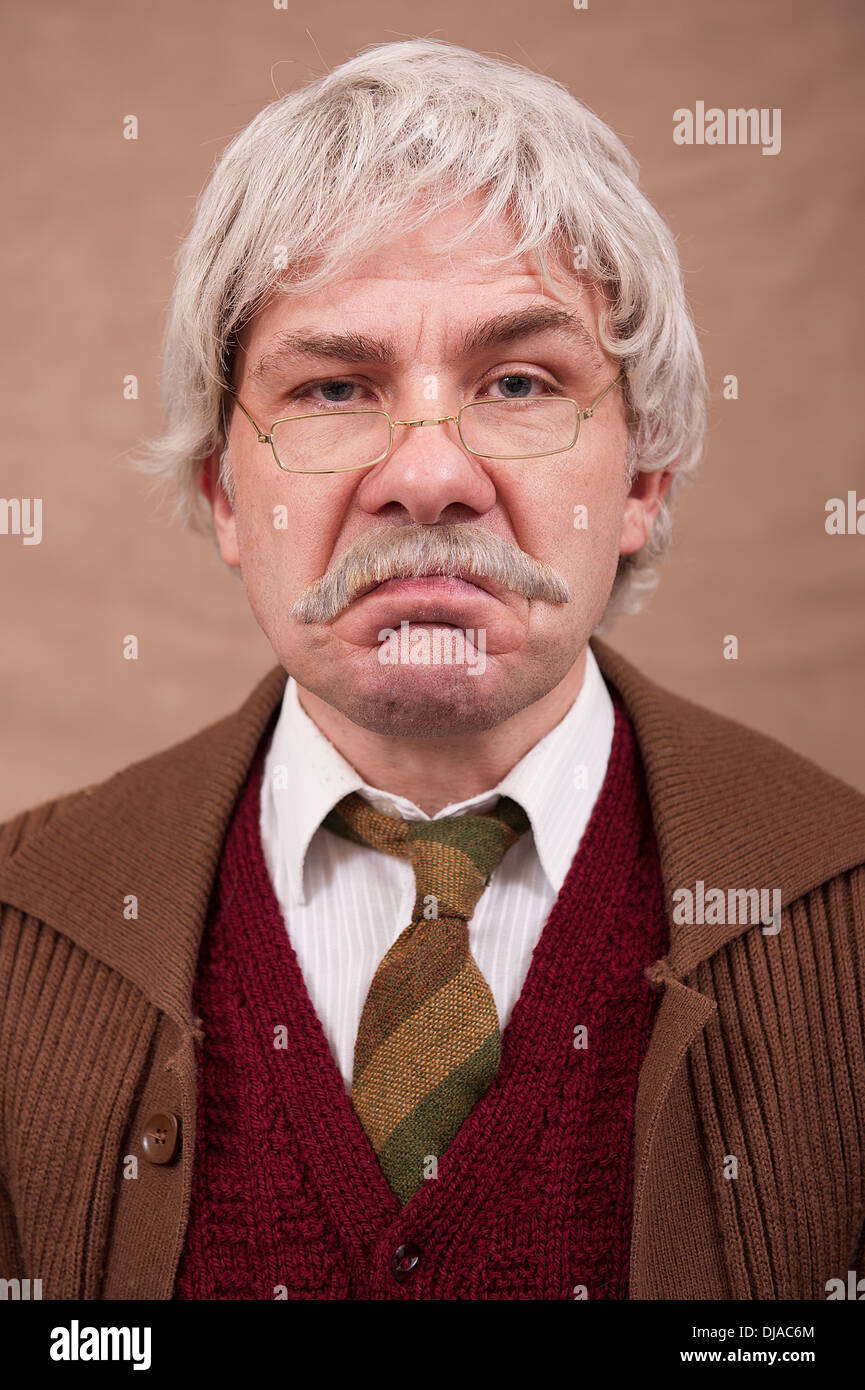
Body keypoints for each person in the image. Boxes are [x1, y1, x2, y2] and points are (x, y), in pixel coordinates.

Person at [1, 38, 863, 1302]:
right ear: (223, 492)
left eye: (519, 380)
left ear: (641, 475)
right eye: (335, 386)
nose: (427, 473)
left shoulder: (842, 923)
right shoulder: (24, 931)